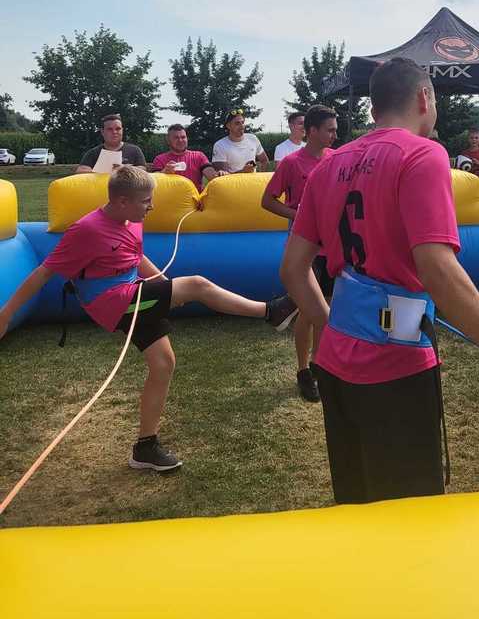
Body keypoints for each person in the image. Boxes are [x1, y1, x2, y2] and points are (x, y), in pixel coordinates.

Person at [280, 56, 479, 505]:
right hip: (396, 369)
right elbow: (439, 270)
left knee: (356, 508)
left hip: (335, 365)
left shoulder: (327, 166)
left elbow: (292, 270)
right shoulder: (422, 153)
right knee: (410, 515)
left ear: (373, 108)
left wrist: (332, 324)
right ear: (424, 98)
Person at [0, 166, 297, 472]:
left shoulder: (132, 220)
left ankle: (145, 448)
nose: (151, 206)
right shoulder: (86, 230)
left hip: (135, 293)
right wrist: (6, 315)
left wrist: (165, 286)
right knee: (197, 284)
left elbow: (136, 257)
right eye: (145, 201)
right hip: (112, 303)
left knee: (163, 363)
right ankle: (270, 312)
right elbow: (43, 273)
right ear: (122, 201)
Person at [262, 105, 338, 402]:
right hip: (305, 247)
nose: (334, 135)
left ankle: (320, 365)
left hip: (332, 246)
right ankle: (304, 371)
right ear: (312, 131)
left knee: (326, 308)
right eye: (330, 130)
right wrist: (298, 215)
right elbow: (267, 200)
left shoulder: (336, 158)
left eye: (335, 130)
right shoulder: (291, 163)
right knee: (309, 311)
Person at [151, 124, 225, 190]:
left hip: (194, 199)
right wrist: (164, 172)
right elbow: (154, 182)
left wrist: (221, 174)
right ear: (168, 140)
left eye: (183, 137)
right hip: (170, 200)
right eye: (176, 138)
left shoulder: (198, 156)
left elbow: (212, 176)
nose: (180, 140)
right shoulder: (159, 159)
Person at [76, 114, 146, 173]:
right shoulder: (93, 153)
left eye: (118, 129)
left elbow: (143, 169)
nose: (114, 132)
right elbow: (80, 170)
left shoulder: (135, 150)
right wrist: (102, 172)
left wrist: (124, 169)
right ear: (102, 132)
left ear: (122, 130)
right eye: (110, 129)